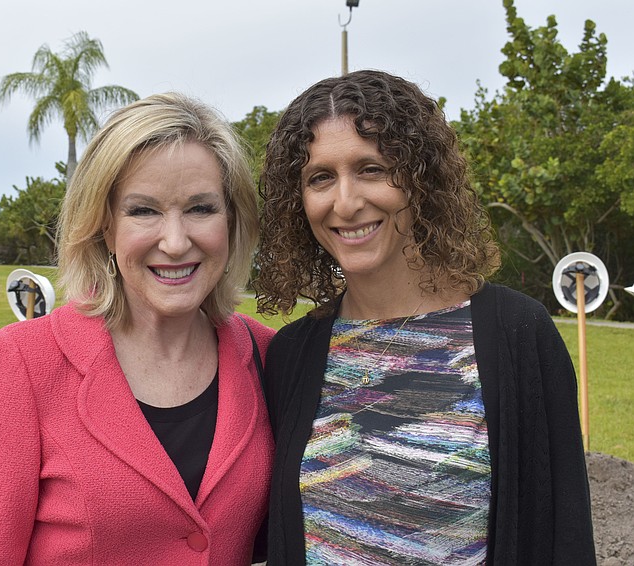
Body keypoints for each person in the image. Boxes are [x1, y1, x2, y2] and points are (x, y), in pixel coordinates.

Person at [255, 70, 595, 565]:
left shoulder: (519, 333)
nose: (346, 202)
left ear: (420, 177)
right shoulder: (291, 354)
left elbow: (564, 534)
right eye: (320, 178)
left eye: (370, 168)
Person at [0, 92, 275, 565]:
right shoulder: (22, 362)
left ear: (233, 221)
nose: (176, 240)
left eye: (201, 209)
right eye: (144, 210)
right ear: (104, 226)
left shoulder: (267, 355)